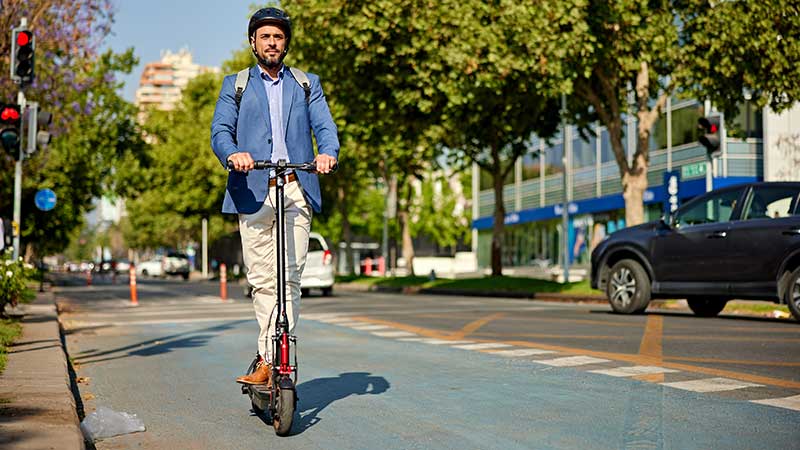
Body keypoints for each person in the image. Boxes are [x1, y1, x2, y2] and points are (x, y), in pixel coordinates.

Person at [210, 7, 339, 387]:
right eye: (265, 36)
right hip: (252, 189)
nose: (272, 42)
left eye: (278, 37)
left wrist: (327, 153)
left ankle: (273, 357)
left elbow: (325, 127)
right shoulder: (234, 84)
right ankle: (268, 356)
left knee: (291, 279)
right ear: (253, 42)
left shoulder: (305, 83)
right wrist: (233, 153)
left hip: (297, 186)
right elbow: (220, 131)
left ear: (286, 43)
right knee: (264, 280)